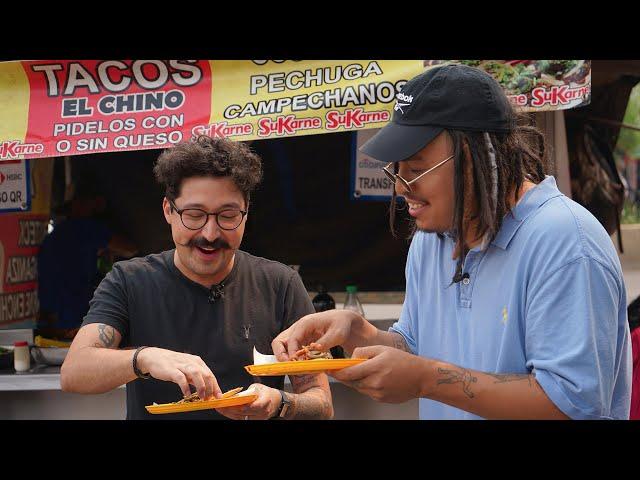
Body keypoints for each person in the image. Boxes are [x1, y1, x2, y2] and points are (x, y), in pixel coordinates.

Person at [273, 64, 632, 420]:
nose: (400, 187)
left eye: (415, 170)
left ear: (478, 156)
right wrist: (357, 332)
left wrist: (427, 380)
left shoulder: (565, 242)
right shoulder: (430, 241)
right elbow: (417, 347)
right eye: (396, 170)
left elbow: (571, 404)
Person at [61, 135, 333, 420]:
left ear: (246, 212)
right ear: (169, 210)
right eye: (194, 215)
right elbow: (74, 371)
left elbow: (322, 404)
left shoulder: (281, 284)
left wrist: (281, 403)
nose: (210, 234)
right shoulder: (129, 281)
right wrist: (145, 358)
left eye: (227, 216)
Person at [37, 182, 137, 340]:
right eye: (94, 204)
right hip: (71, 316)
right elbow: (130, 249)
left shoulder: (58, 232)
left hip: (51, 317)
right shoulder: (85, 227)